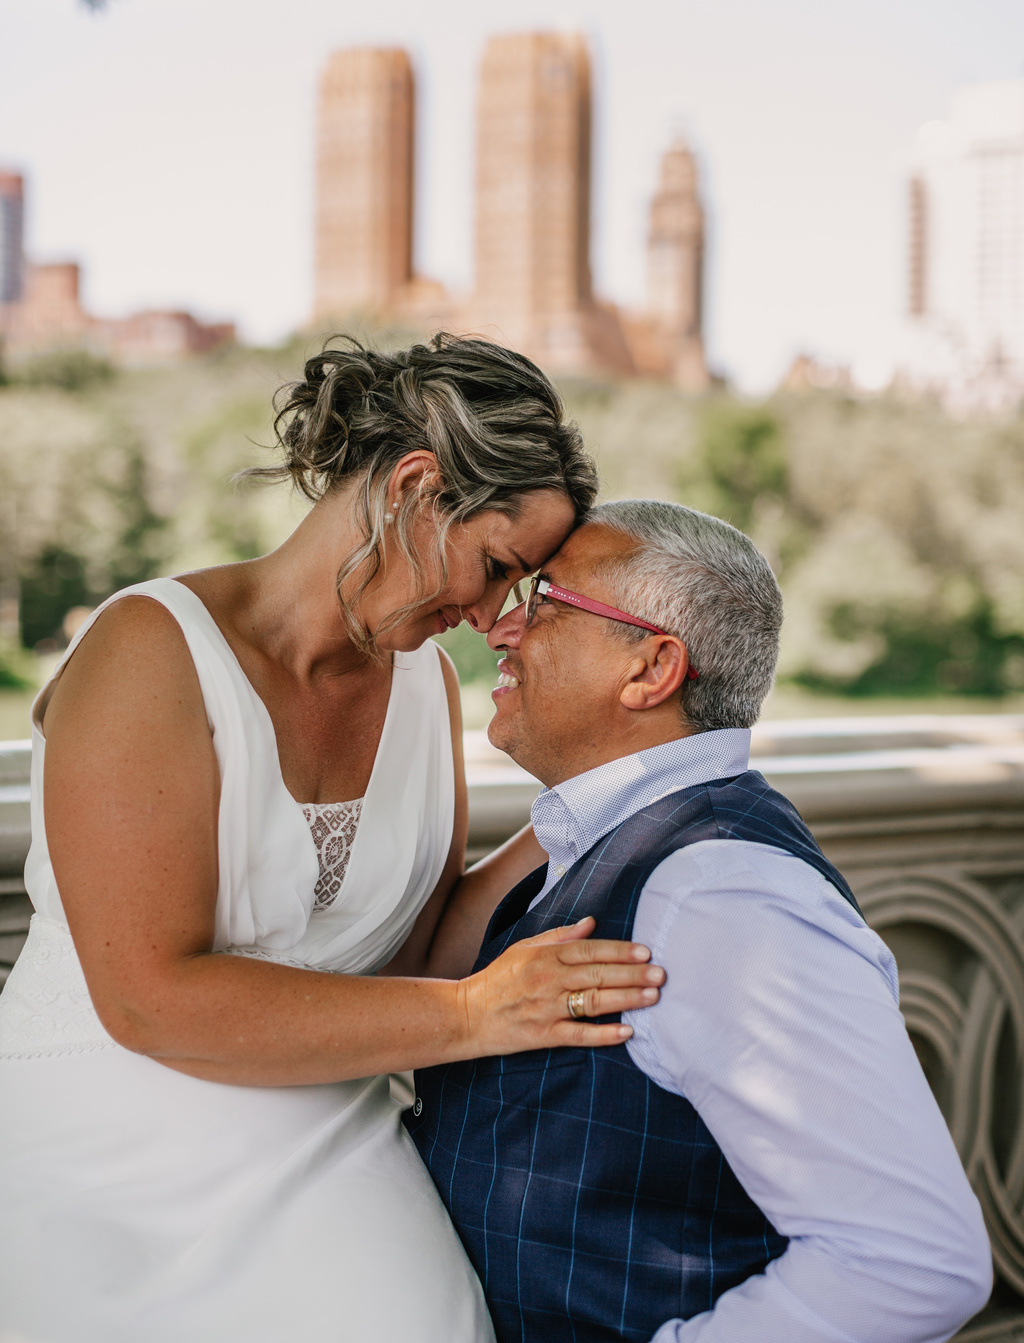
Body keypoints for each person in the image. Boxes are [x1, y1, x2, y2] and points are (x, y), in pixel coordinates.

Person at [0, 336, 666, 1343]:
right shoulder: (149, 649)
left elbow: (414, 954)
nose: (491, 616)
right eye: (495, 566)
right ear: (413, 487)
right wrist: (478, 1014)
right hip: (105, 1138)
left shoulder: (422, 686)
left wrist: (598, 792)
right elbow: (147, 998)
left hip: (324, 1129)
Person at [408, 498, 994, 1343]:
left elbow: (915, 1259)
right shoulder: (609, 838)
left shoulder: (721, 894)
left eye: (545, 601)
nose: (501, 629)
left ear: (652, 669)